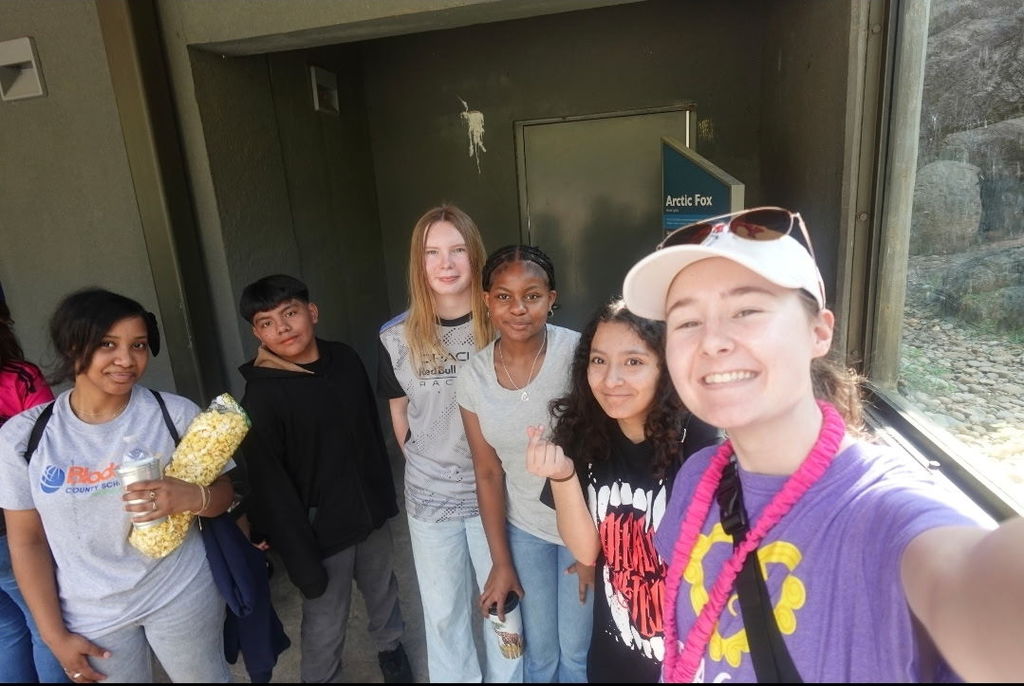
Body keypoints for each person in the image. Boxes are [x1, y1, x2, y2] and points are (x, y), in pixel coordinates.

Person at [619, 206, 1024, 682]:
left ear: (819, 332)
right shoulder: (700, 477)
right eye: (686, 323)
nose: (712, 342)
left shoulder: (884, 511)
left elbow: (976, 582)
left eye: (746, 310)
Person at [0, 288, 234, 684]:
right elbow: (26, 541)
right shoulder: (24, 437)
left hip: (180, 591)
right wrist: (54, 636)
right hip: (92, 610)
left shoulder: (173, 413)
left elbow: (225, 497)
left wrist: (191, 496)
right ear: (73, 345)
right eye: (108, 344)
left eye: (138, 345)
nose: (126, 360)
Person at [526, 298, 719, 682]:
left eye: (633, 362)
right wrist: (562, 476)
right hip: (618, 653)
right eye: (599, 361)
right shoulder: (585, 437)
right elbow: (586, 551)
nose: (611, 379)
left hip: (694, 660)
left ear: (665, 368)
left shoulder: (702, 440)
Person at [236, 274, 412, 684]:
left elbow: (370, 434)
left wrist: (384, 499)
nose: (282, 328)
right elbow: (268, 482)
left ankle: (391, 649)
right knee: (325, 618)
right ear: (256, 333)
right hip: (321, 531)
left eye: (290, 313)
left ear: (311, 313)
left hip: (368, 512)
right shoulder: (261, 396)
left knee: (383, 589)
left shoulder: (344, 360)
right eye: (266, 322)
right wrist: (293, 548)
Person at [379, 204, 524, 682]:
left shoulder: (503, 323)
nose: (446, 263)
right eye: (432, 253)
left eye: (458, 250)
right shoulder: (396, 337)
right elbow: (399, 409)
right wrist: (425, 457)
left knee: (505, 613)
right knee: (443, 616)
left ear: (475, 256)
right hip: (430, 498)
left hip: (500, 498)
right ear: (418, 264)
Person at [457, 245, 591, 683]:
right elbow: (488, 471)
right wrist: (501, 561)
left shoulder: (579, 354)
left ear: (551, 299)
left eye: (532, 296)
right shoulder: (473, 376)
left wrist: (594, 550)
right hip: (526, 530)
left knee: (576, 655)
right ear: (487, 301)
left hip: (582, 530)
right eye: (503, 296)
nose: (518, 309)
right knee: (539, 655)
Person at [0, 291, 66, 683]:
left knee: (7, 629)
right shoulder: (17, 378)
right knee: (48, 628)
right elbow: (48, 448)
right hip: (14, 530)